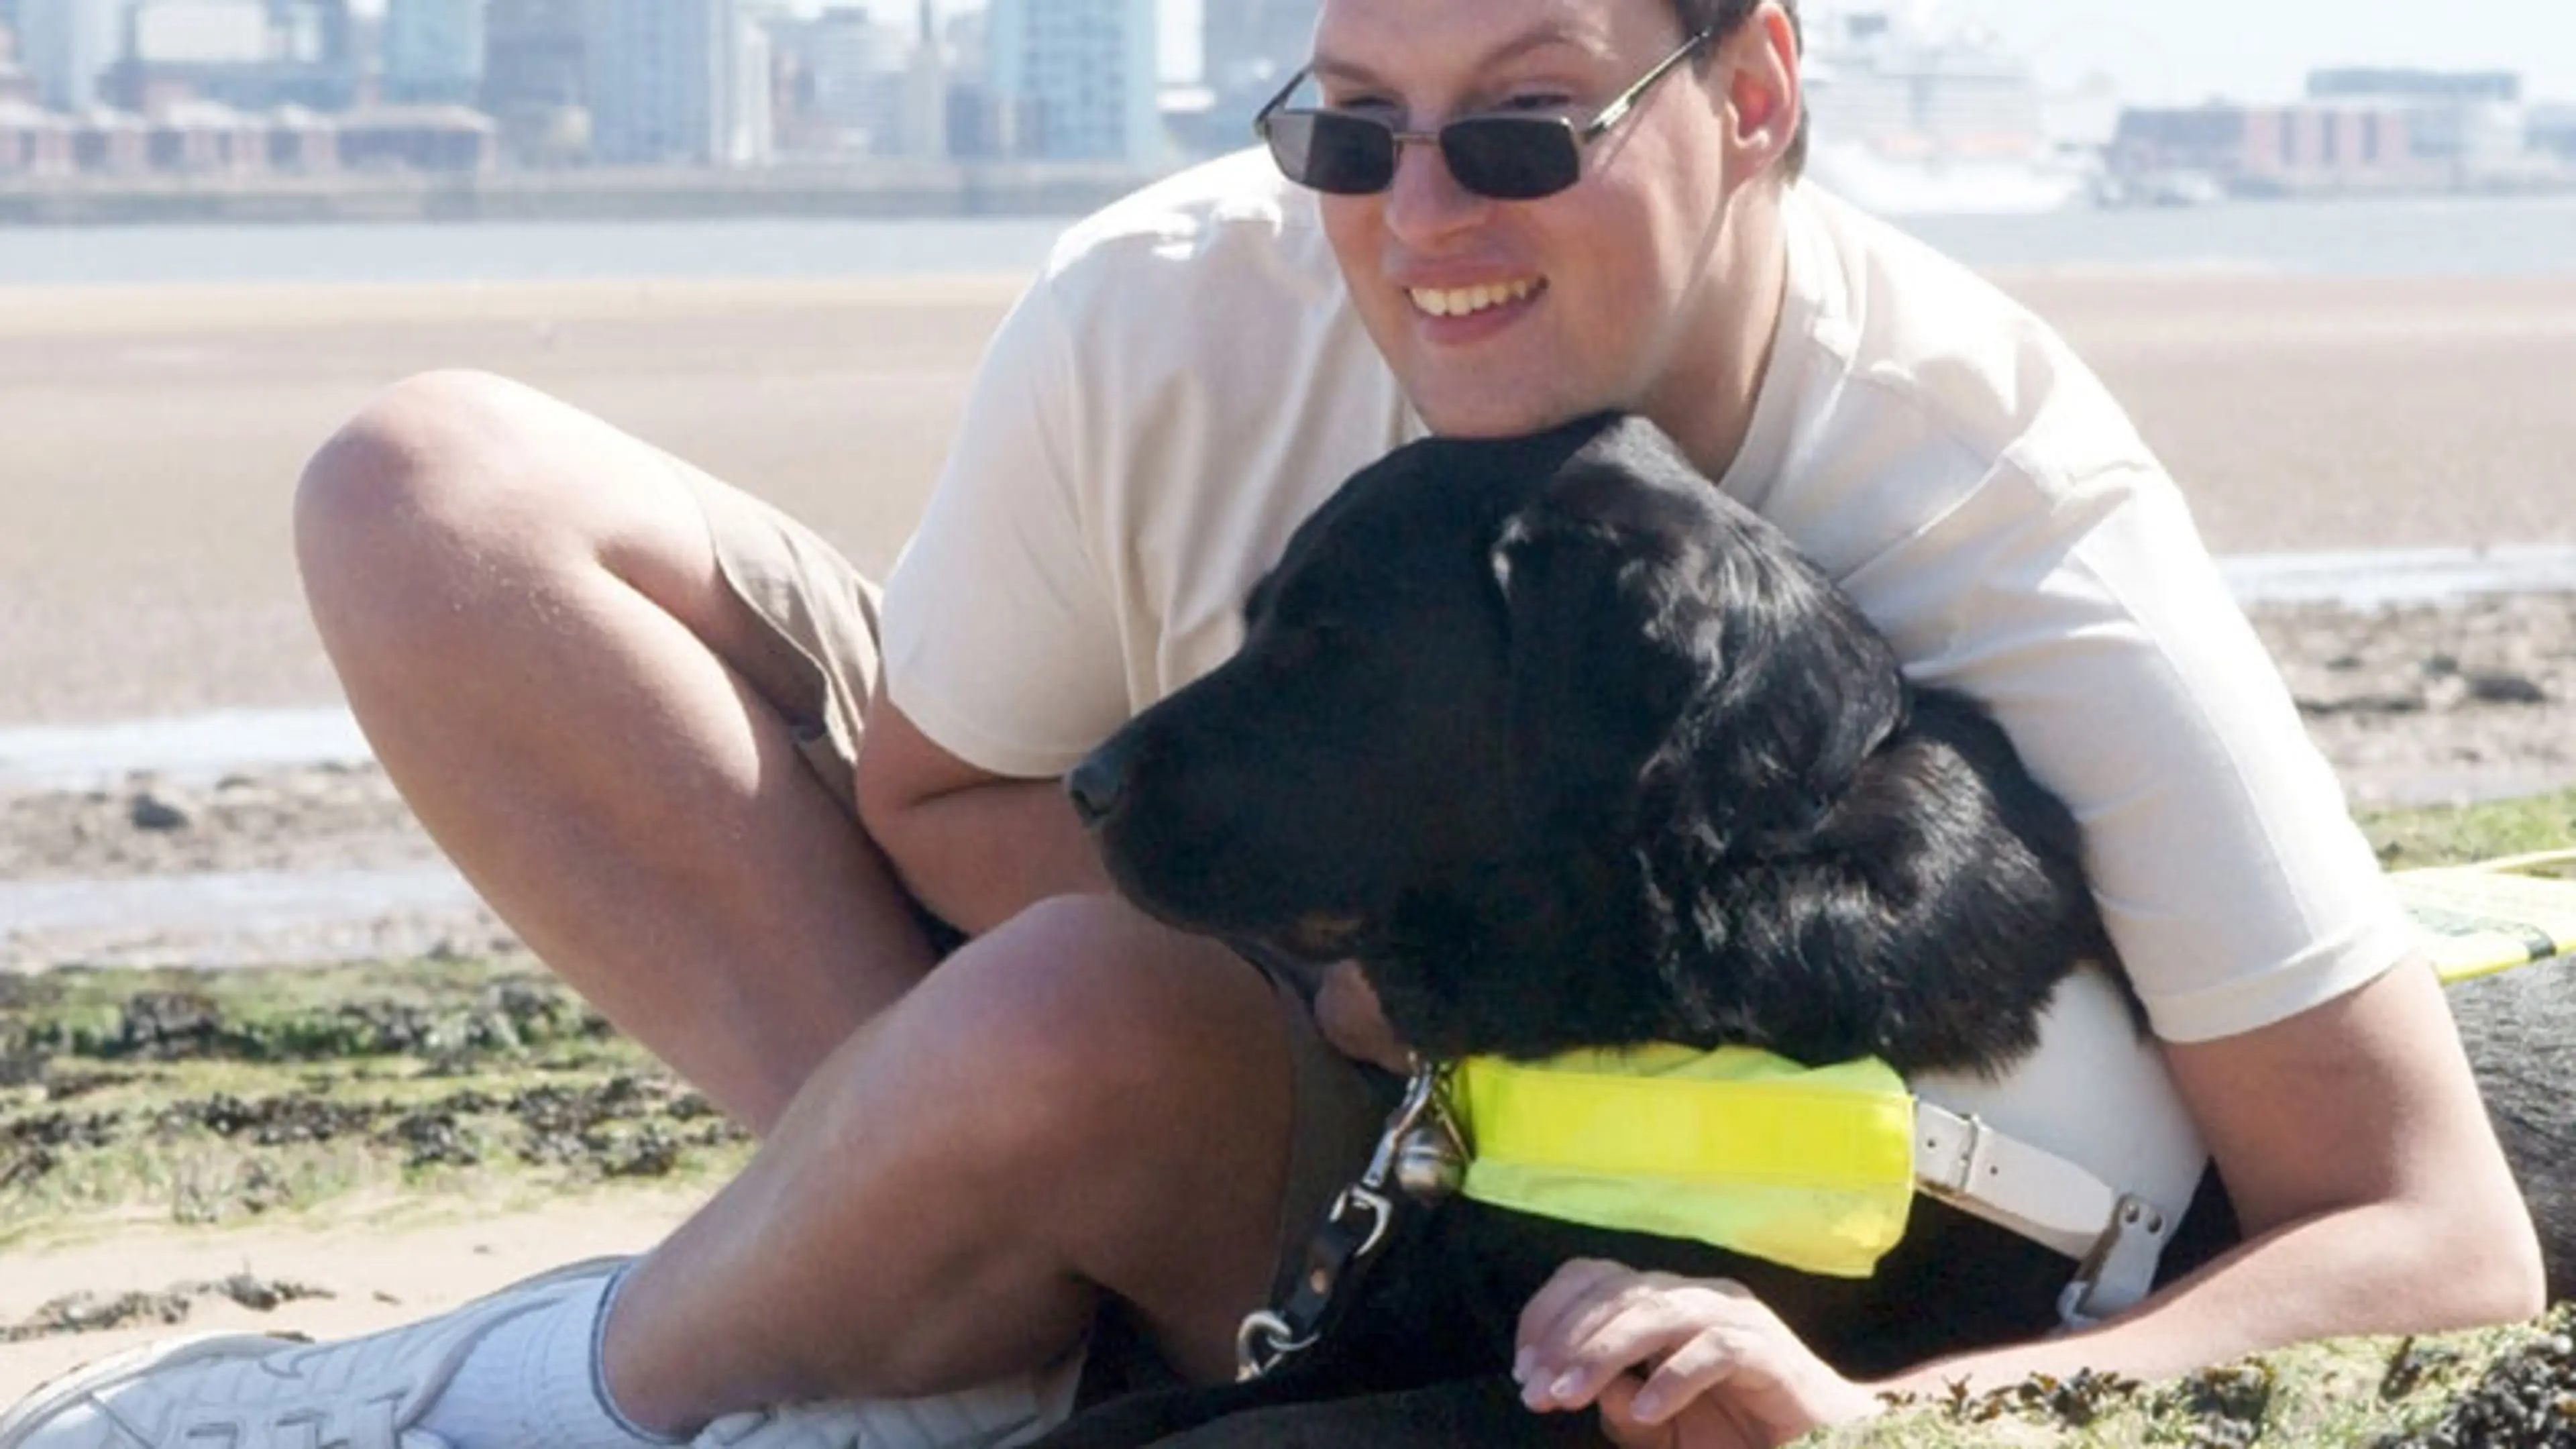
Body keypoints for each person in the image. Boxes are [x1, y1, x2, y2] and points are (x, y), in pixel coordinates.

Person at [0, 0, 2544, 1445]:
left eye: (1529, 120)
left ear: (1755, 93)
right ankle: (945, 1291)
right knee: (439, 491)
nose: (1421, 214)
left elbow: (2432, 1232)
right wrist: (1326, 993)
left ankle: (861, 1290)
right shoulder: (1172, 303)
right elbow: (949, 786)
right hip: (1244, 1015)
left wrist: (1888, 1425)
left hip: (1547, 1172)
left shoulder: (2002, 495)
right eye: (1350, 121)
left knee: (1077, 1016)